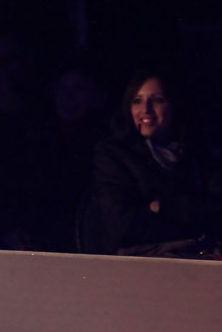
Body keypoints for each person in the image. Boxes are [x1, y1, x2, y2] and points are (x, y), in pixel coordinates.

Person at [82, 69, 221, 255]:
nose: (145, 110)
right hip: (141, 263)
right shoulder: (113, 154)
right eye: (137, 101)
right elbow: (121, 227)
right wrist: (191, 215)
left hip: (198, 258)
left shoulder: (197, 153)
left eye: (157, 100)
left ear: (174, 104)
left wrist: (162, 206)